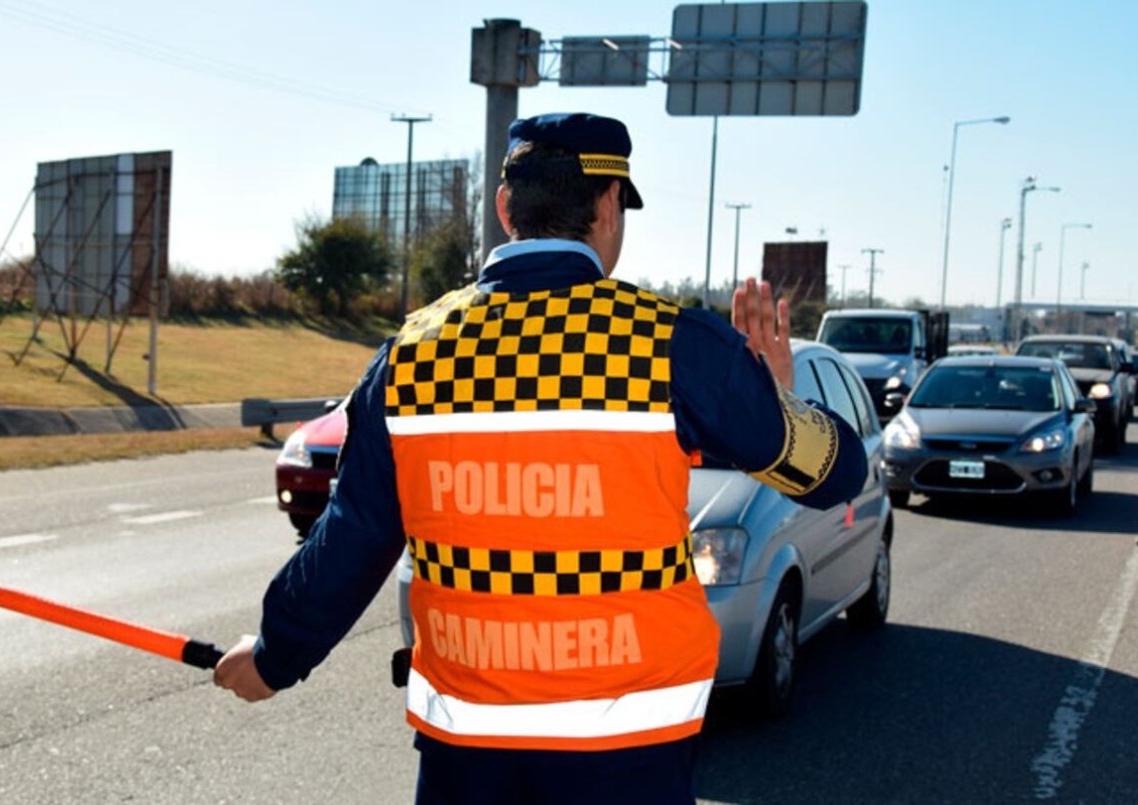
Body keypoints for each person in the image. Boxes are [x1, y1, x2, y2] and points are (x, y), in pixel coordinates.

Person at [215, 112, 868, 804]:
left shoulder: (409, 354)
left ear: (505, 209)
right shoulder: (671, 345)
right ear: (610, 207)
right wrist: (779, 398)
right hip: (628, 761)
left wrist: (274, 655)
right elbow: (837, 473)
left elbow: (354, 533)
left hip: (465, 760)